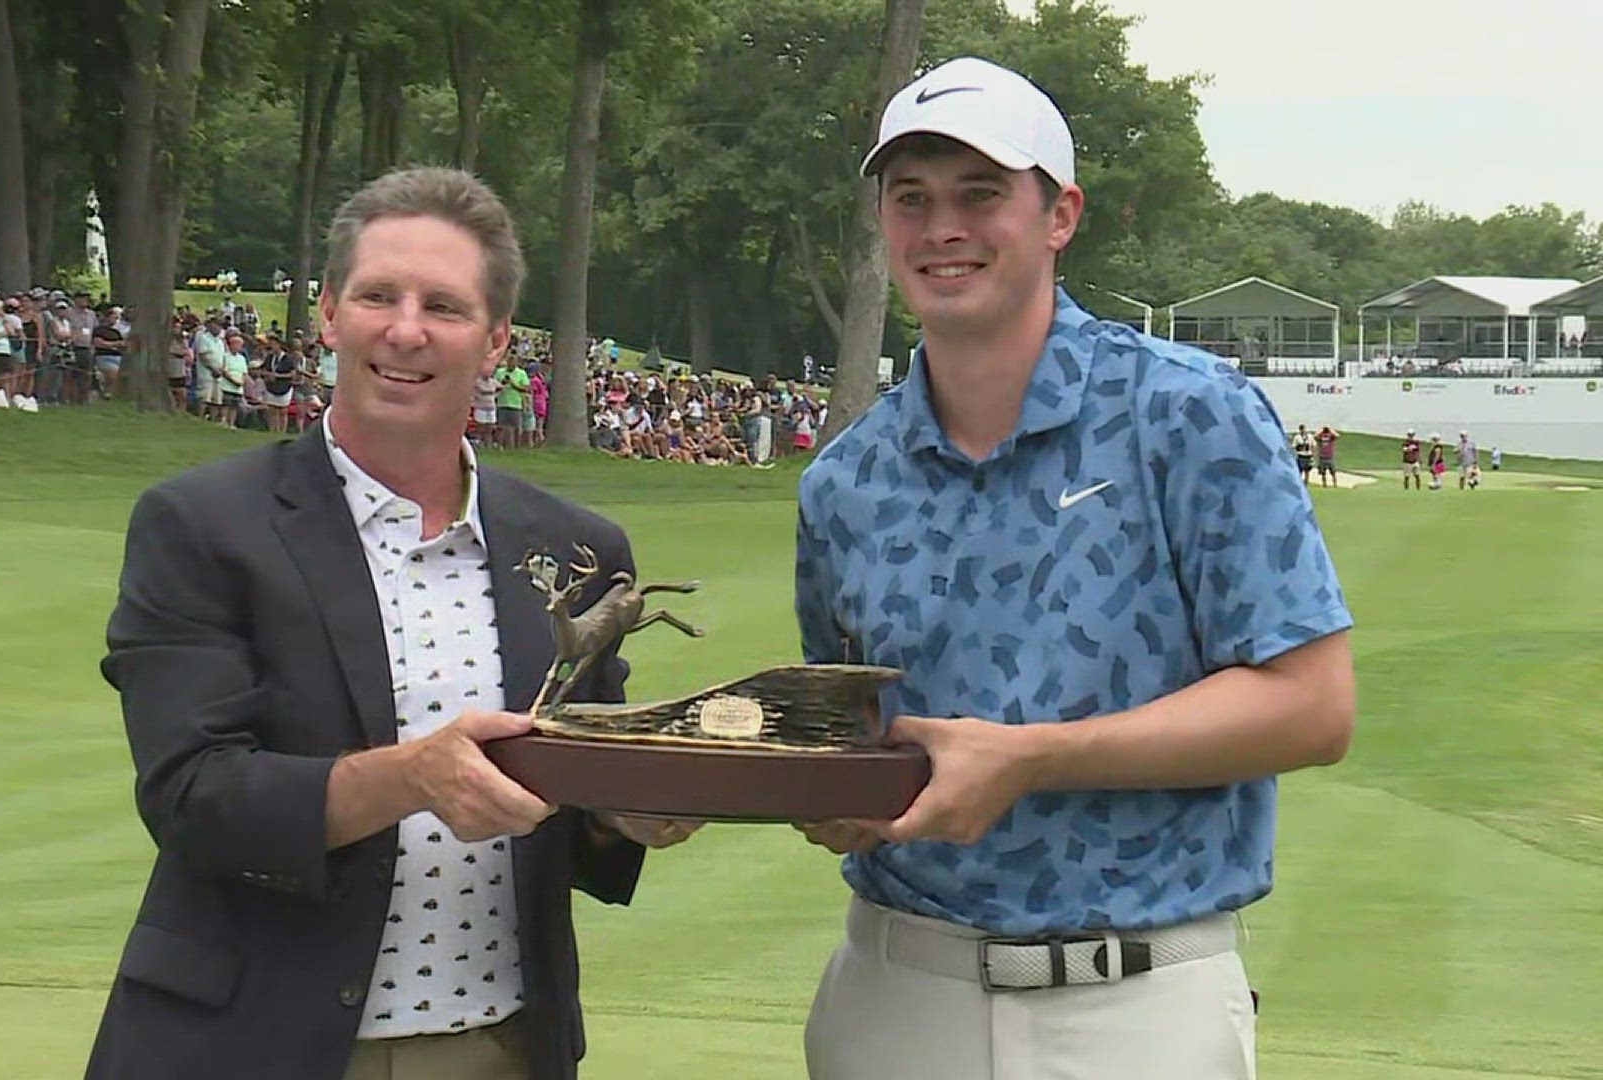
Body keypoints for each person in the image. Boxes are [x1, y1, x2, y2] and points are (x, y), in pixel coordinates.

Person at [792, 57, 1354, 1080]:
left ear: (1060, 216)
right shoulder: (844, 480)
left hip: (1139, 1005)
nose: (941, 229)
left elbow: (1312, 709)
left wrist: (1034, 757)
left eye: (980, 195)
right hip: (894, 994)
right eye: (910, 199)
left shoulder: (1188, 413)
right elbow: (855, 739)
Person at [83, 167, 696, 1080]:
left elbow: (572, 796)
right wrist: (413, 776)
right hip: (251, 1046)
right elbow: (194, 798)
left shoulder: (577, 550)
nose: (406, 329)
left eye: (444, 306)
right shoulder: (204, 525)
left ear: (494, 343)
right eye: (379, 296)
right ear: (330, 313)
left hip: (498, 1049)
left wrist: (632, 810)